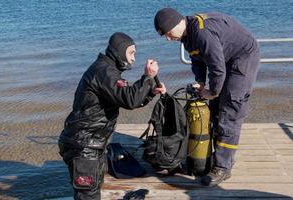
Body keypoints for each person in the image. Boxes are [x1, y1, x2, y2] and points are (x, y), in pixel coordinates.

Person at [154, 8, 260, 186]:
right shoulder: (187, 36)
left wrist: (212, 92)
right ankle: (214, 157)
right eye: (164, 35)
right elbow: (198, 59)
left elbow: (217, 68)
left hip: (243, 57)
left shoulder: (202, 33)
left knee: (229, 111)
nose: (167, 38)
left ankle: (222, 168)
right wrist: (201, 82)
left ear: (177, 22)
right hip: (225, 57)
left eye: (168, 33)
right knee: (215, 109)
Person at [58, 32, 166, 199]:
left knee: (94, 187)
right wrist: (147, 77)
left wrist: (150, 93)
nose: (133, 59)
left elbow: (129, 98)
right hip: (83, 146)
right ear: (119, 51)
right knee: (88, 194)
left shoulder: (108, 71)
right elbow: (129, 99)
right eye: (131, 53)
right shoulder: (104, 72)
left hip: (92, 144)